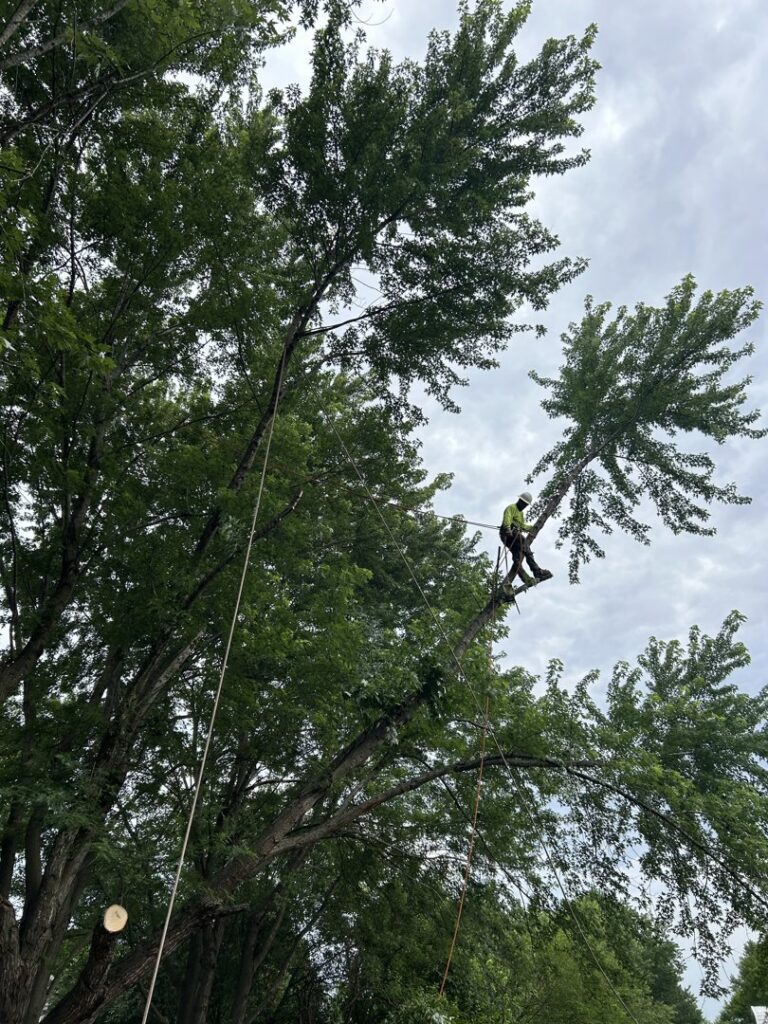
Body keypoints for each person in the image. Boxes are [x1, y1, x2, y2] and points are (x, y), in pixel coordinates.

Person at [499, 491, 552, 593]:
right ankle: (537, 571)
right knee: (525, 546)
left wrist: (533, 528)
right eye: (523, 503)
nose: (524, 506)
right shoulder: (511, 508)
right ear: (519, 500)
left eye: (525, 505)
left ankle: (526, 579)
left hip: (514, 536)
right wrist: (507, 528)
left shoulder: (521, 513)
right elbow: (507, 519)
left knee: (517, 557)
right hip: (507, 533)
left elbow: (522, 526)